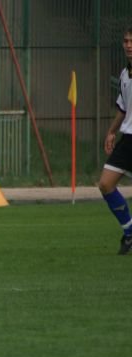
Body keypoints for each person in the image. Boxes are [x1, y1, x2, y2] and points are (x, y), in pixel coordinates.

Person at [99, 25, 132, 255]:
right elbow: (123, 108)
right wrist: (111, 131)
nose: (129, 45)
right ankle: (129, 232)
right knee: (105, 184)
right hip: (128, 138)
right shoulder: (124, 74)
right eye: (126, 41)